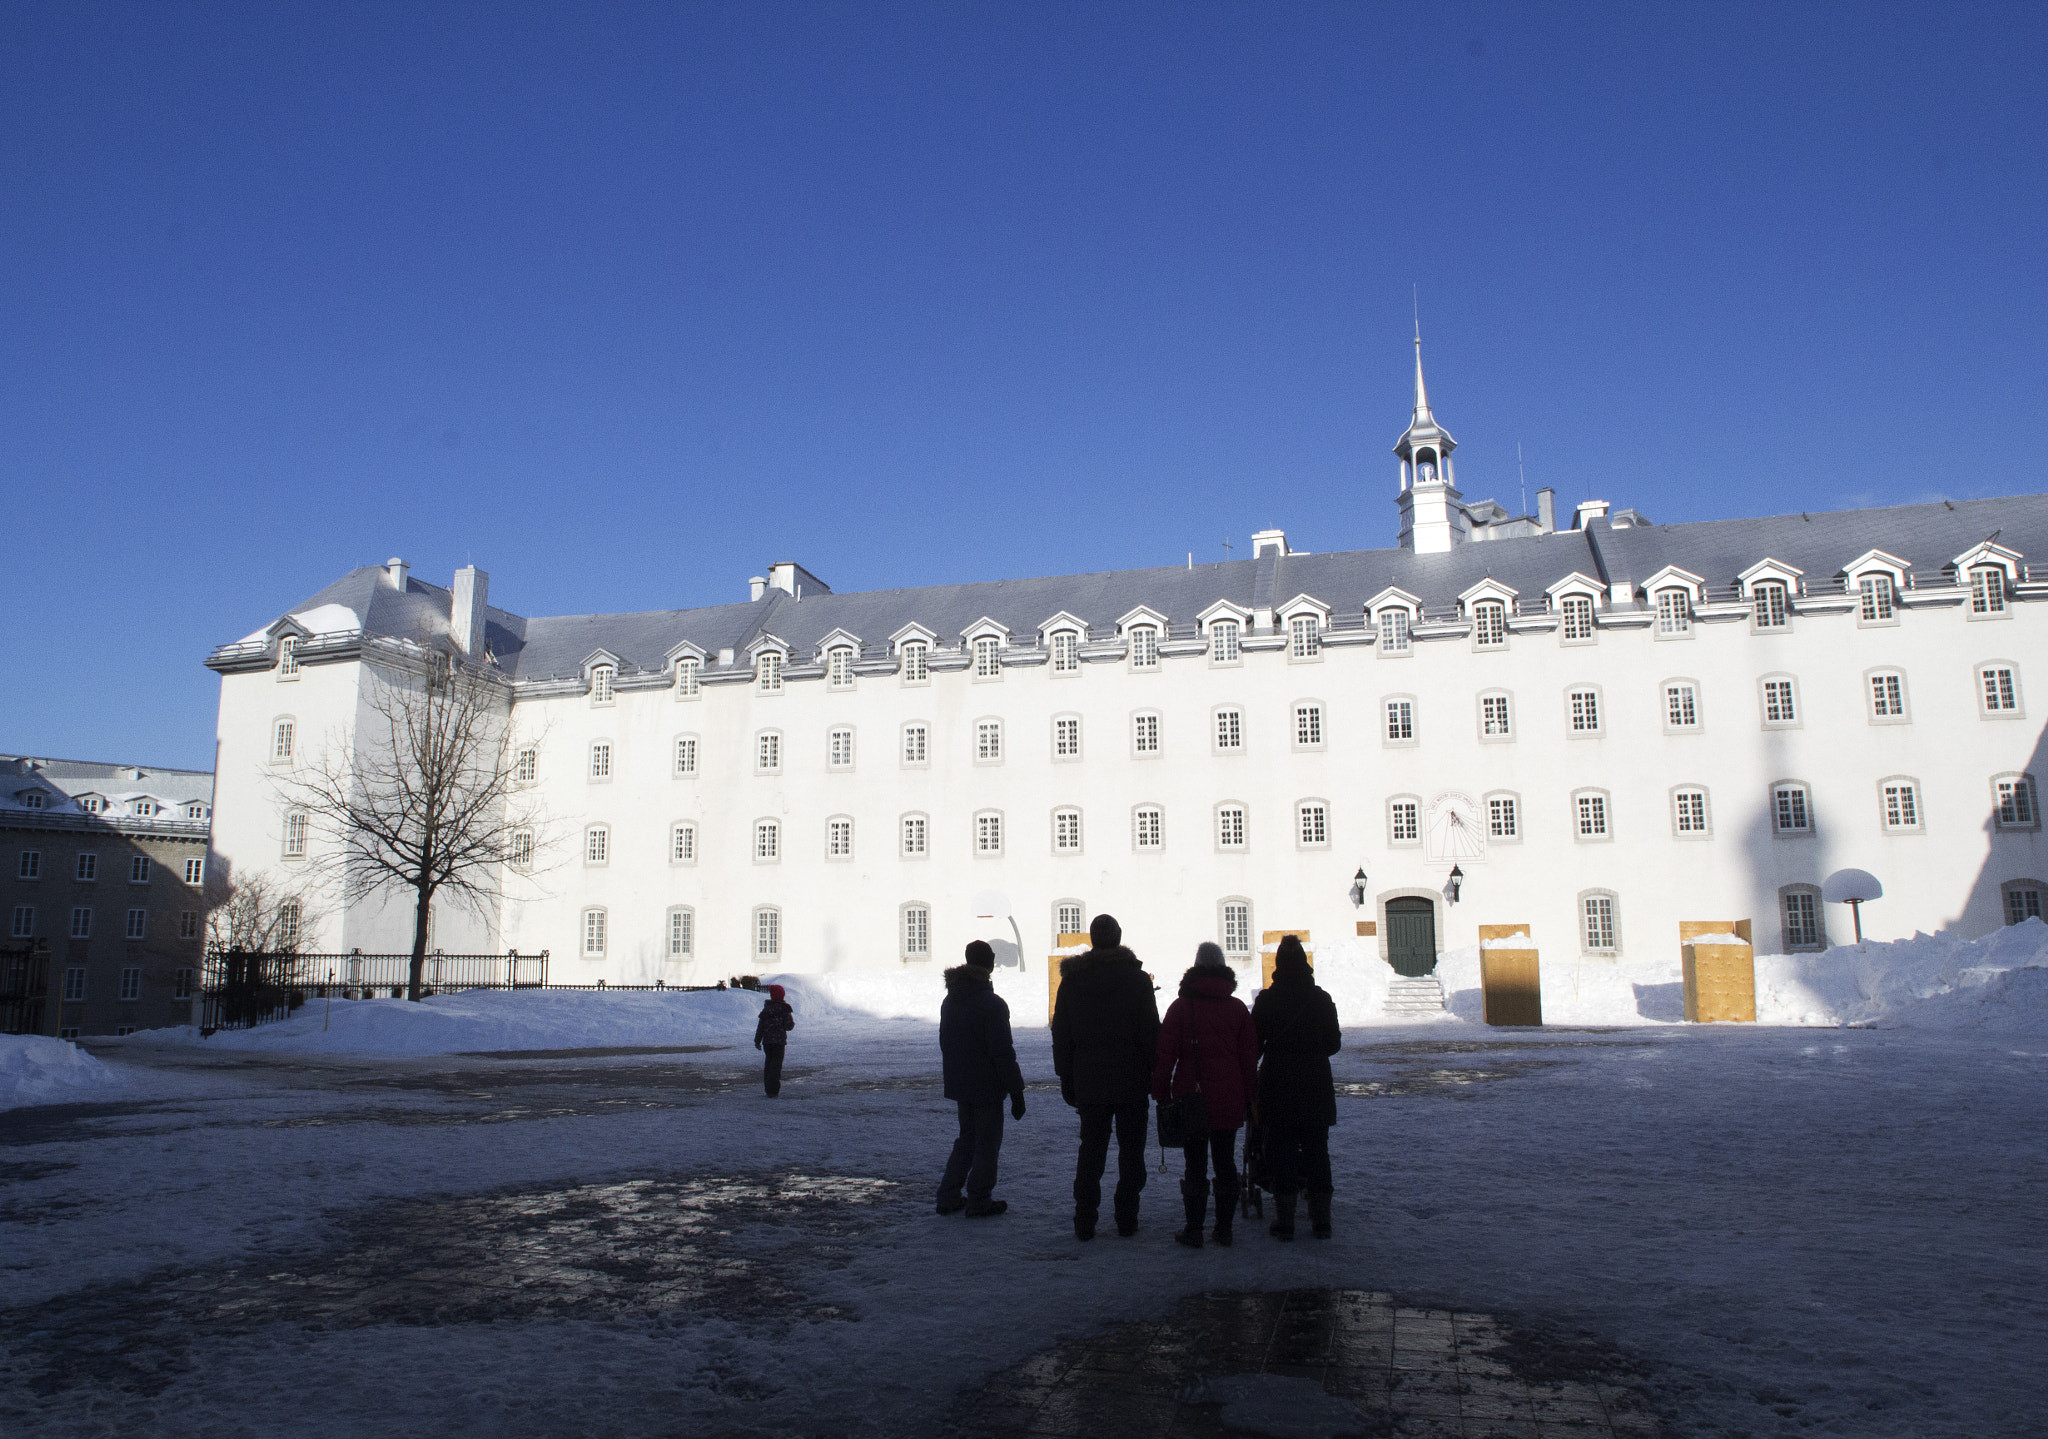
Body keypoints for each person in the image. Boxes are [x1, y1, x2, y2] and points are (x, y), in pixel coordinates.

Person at [1051, 913, 1160, 1241]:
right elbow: (1150, 1033)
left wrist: (1065, 1075)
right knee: (1131, 1150)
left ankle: (1085, 1218)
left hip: (1090, 1078)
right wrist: (1154, 1072)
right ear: (1119, 937)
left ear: (1093, 940)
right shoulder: (1137, 980)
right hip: (1131, 1079)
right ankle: (1127, 1216)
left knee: (1091, 1151)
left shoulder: (1073, 980)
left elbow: (1062, 1033)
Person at [1151, 941, 1258, 1248]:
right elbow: (1248, 1058)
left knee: (1195, 1163)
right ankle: (1224, 1229)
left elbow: (1166, 1053)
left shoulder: (1182, 1008)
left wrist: (1160, 1090)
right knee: (1225, 1162)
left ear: (1195, 967)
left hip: (1190, 1097)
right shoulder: (1237, 1009)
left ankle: (1194, 1229)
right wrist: (1251, 1096)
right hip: (1229, 1096)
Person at [1251, 934, 1341, 1239]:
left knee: (1282, 1151)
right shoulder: (1321, 999)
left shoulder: (1266, 1001)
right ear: (1305, 963)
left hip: (1278, 1085)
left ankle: (1286, 1220)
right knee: (1317, 1151)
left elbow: (1254, 1047)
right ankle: (1321, 1221)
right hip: (1315, 1084)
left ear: (1277, 965)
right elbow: (1333, 1044)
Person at [937, 940, 1027, 1218]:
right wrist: (1016, 1091)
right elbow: (1002, 1053)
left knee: (967, 1139)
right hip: (987, 1086)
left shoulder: (950, 1000)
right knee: (987, 1144)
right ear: (989, 964)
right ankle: (979, 1199)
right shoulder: (992, 1004)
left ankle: (949, 1195)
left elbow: (946, 1043)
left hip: (961, 1084)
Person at [753, 984, 794, 1097]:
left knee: (769, 1063)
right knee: (776, 1065)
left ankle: (768, 1088)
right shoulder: (784, 1009)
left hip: (767, 1042)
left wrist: (757, 1040)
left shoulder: (766, 1009)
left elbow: (760, 1026)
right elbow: (789, 1026)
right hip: (779, 1042)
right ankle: (773, 1089)